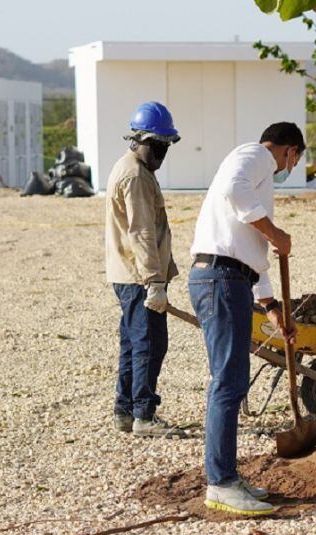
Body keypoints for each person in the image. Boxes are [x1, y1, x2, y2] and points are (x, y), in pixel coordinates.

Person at [188, 122, 304, 516]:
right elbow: (233, 191)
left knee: (231, 381)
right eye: (296, 160)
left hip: (233, 278)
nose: (290, 168)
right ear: (290, 150)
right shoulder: (255, 156)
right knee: (228, 381)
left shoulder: (260, 179)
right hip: (220, 278)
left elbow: (252, 253)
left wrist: (271, 307)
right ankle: (219, 483)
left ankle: (228, 477)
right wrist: (275, 232)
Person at [105, 101, 187, 439]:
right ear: (141, 140)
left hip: (128, 274)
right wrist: (155, 282)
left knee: (133, 342)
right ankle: (143, 415)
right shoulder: (135, 175)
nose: (162, 153)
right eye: (158, 146)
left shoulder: (133, 168)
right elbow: (141, 232)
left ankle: (125, 410)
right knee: (150, 343)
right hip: (139, 277)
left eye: (166, 146)